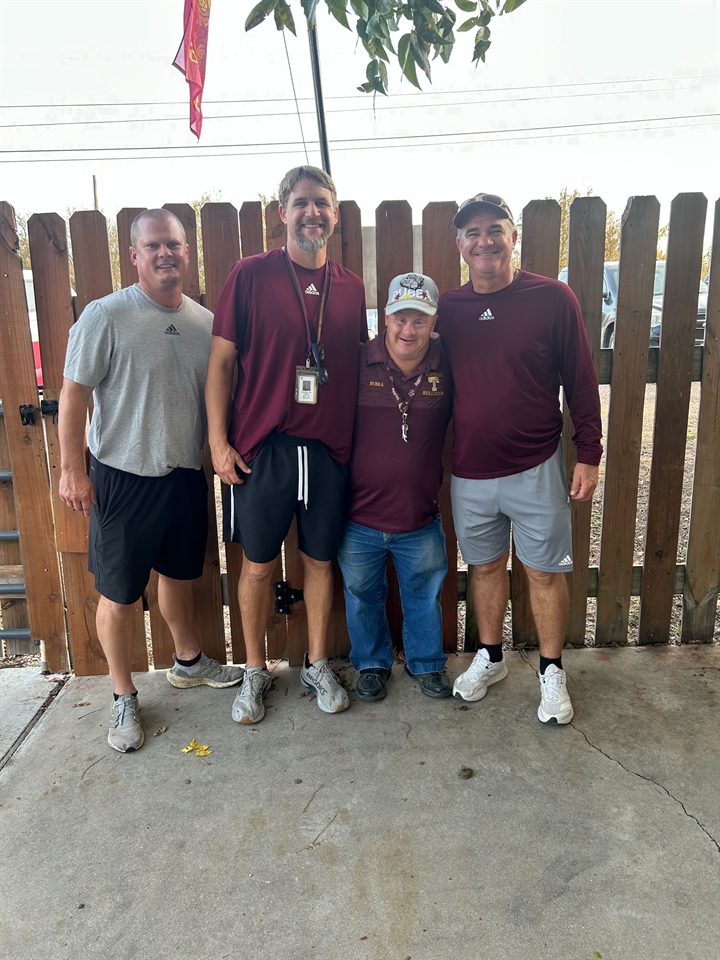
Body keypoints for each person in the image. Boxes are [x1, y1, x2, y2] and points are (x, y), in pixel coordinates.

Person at [59, 209, 244, 754]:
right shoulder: (106, 315)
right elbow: (73, 394)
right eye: (154, 245)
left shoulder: (205, 323)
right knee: (119, 593)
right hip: (122, 475)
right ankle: (123, 694)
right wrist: (72, 469)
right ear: (134, 255)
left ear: (188, 253)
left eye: (175, 244)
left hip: (183, 473)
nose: (166, 253)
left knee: (179, 576)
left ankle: (187, 662)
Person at [206, 166, 367, 724]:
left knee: (320, 562)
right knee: (256, 567)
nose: (311, 213)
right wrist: (218, 442)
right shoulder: (250, 275)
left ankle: (316, 664)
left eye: (321, 203)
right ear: (283, 212)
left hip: (326, 451)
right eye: (301, 203)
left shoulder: (351, 286)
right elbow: (221, 363)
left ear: (335, 214)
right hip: (263, 449)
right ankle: (255, 669)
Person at [438, 192, 602, 724]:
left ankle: (552, 671)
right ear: (460, 244)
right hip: (470, 470)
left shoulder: (552, 298)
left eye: (495, 229)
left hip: (537, 464)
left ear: (513, 237)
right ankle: (490, 658)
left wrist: (589, 453)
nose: (484, 241)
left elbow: (580, 380)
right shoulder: (448, 309)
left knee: (544, 572)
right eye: (473, 232)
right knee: (485, 567)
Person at [337, 273, 453, 701]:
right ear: (385, 317)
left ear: (433, 322)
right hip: (359, 518)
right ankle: (371, 663)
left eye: (419, 320)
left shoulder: (447, 365)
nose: (409, 329)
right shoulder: (357, 362)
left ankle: (426, 663)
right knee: (361, 596)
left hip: (419, 517)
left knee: (424, 595)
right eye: (401, 318)